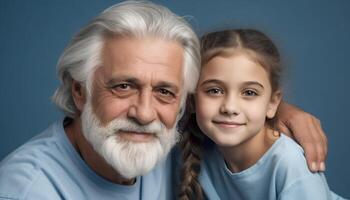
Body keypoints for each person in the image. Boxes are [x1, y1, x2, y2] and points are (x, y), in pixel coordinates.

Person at [0, 1, 327, 199]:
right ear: (80, 90)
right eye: (123, 86)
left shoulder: (179, 138)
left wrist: (280, 111)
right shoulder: (24, 190)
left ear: (185, 101)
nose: (144, 113)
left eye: (165, 91)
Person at [179, 29, 344, 199]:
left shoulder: (289, 163)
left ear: (273, 103)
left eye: (249, 93)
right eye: (214, 90)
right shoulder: (195, 147)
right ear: (191, 97)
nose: (229, 107)